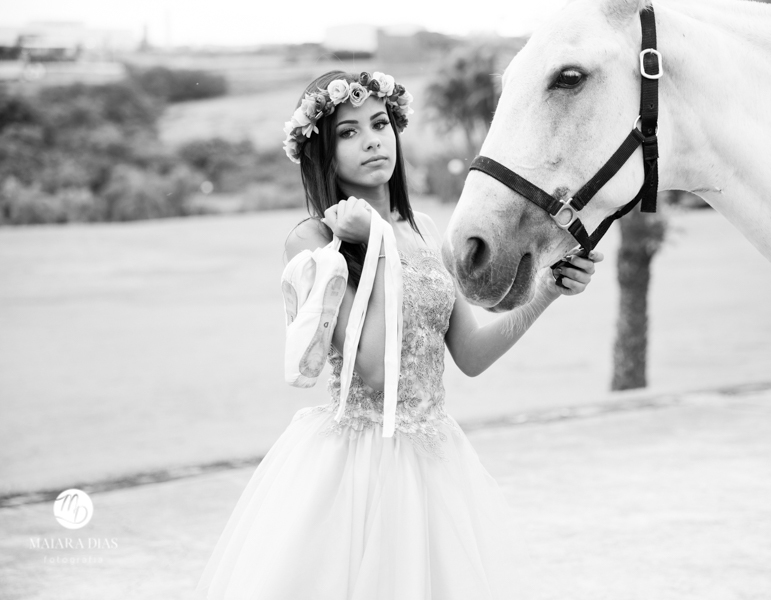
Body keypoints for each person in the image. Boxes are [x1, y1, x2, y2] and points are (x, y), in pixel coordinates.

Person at [197, 70, 602, 599]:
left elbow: (471, 356)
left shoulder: (426, 232)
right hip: (359, 466)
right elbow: (373, 369)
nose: (371, 140)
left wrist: (547, 291)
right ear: (323, 152)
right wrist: (381, 248)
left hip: (434, 458)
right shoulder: (314, 240)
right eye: (348, 132)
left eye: (380, 124)